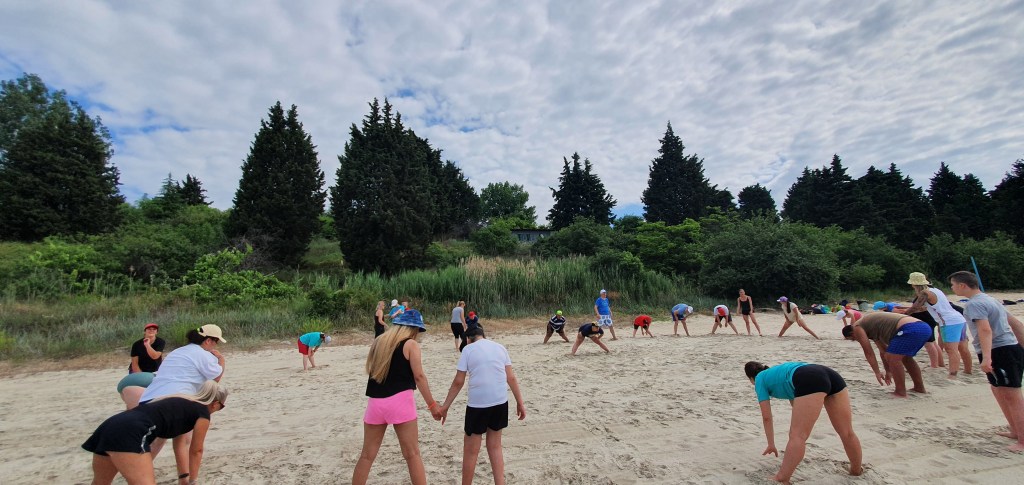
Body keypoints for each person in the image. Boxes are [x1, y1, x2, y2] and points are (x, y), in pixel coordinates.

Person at [353, 310, 442, 485]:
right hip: (400, 402)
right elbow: (419, 377)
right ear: (413, 329)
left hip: (375, 403)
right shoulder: (410, 344)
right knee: (412, 454)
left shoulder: (379, 341)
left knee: (367, 456)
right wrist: (432, 405)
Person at [83, 380, 228, 485]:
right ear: (215, 403)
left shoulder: (180, 400)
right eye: (221, 407)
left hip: (111, 425)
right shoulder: (203, 413)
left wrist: (183, 477)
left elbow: (181, 443)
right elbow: (196, 451)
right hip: (132, 432)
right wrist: (193, 481)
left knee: (100, 483)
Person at [744, 362, 862, 483]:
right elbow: (798, 402)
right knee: (847, 432)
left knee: (797, 436)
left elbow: (766, 417)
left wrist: (771, 444)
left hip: (809, 378)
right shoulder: (778, 373)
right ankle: (856, 471)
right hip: (831, 375)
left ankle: (782, 478)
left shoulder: (759, 379)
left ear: (751, 378)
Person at [438, 326, 527, 485]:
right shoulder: (500, 347)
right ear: (483, 335)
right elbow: (511, 378)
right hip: (500, 402)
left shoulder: (468, 350)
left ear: (468, 339)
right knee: (495, 447)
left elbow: (458, 381)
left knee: (471, 451)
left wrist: (445, 407)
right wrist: (520, 403)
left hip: (478, 405)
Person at [950, 271, 1024, 451]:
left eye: (953, 285)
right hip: (1007, 349)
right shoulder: (990, 299)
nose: (952, 288)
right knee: (998, 389)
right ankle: (1015, 430)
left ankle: (1023, 440)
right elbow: (1015, 323)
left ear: (962, 285)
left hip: (1000, 351)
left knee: (1012, 395)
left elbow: (985, 330)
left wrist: (987, 357)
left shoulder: (974, 304)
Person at [138, 325, 226, 460]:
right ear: (208, 340)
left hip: (147, 399)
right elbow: (215, 379)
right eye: (216, 342)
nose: (216, 346)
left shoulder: (177, 351)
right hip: (173, 402)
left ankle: (142, 466)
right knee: (183, 440)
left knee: (154, 440)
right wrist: (221, 360)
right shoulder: (203, 354)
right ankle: (185, 473)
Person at [841, 313, 928, 397]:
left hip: (910, 328)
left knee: (893, 358)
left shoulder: (857, 327)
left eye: (853, 339)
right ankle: (919, 387)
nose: (857, 340)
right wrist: (888, 371)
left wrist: (877, 372)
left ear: (852, 333)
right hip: (923, 327)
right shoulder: (871, 329)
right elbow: (883, 351)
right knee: (905, 358)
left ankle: (900, 392)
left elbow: (869, 352)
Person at [907, 272, 972, 377]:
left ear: (913, 284)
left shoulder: (925, 293)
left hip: (948, 322)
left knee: (951, 350)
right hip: (959, 319)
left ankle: (952, 375)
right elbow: (927, 307)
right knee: (963, 348)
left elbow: (915, 307)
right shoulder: (936, 290)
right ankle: (968, 371)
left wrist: (903, 314)